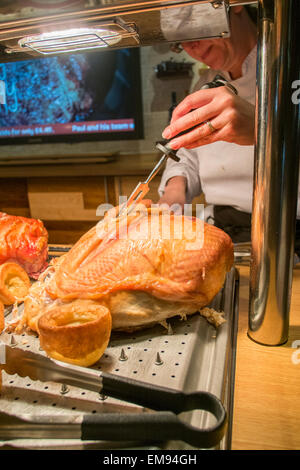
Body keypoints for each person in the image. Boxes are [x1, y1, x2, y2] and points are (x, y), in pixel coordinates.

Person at [158, 5, 259, 243]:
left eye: (193, 25)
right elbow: (186, 155)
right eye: (179, 40)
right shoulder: (206, 83)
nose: (190, 47)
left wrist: (261, 128)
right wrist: (175, 190)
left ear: (234, 5)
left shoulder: (290, 64)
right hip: (223, 232)